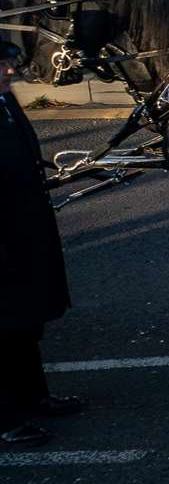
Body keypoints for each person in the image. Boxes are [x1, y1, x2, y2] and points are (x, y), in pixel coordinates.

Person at [0, 41, 79, 449]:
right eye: (1, 65)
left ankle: (34, 396)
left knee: (26, 324)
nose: (10, 71)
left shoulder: (6, 103)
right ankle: (7, 418)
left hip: (24, 230)